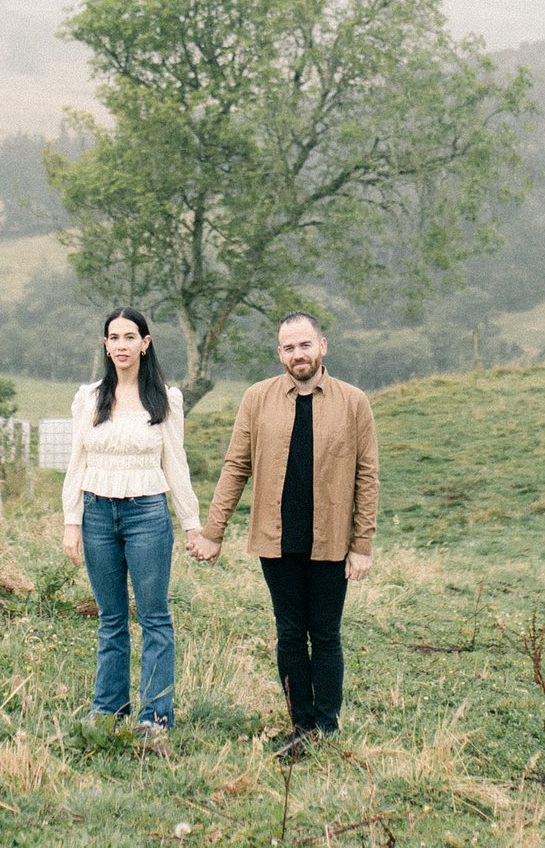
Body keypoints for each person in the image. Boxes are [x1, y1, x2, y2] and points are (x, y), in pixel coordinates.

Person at [192, 312, 378, 762]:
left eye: (305, 345)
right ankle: (301, 727)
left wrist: (362, 545)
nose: (298, 355)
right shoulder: (257, 399)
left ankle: (327, 728)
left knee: (326, 633)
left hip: (331, 540)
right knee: (290, 634)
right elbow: (236, 466)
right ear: (280, 354)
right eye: (289, 348)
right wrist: (213, 531)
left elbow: (367, 476)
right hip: (276, 539)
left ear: (322, 346)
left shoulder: (354, 403)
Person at [61, 307, 200, 747]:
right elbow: (76, 460)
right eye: (113, 337)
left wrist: (191, 523)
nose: (121, 345)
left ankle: (155, 716)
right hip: (99, 513)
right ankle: (107, 709)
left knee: (155, 617)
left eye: (129, 337)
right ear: (106, 345)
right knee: (111, 618)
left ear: (146, 342)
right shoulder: (90, 397)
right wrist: (72, 520)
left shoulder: (164, 399)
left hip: (148, 515)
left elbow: (176, 464)